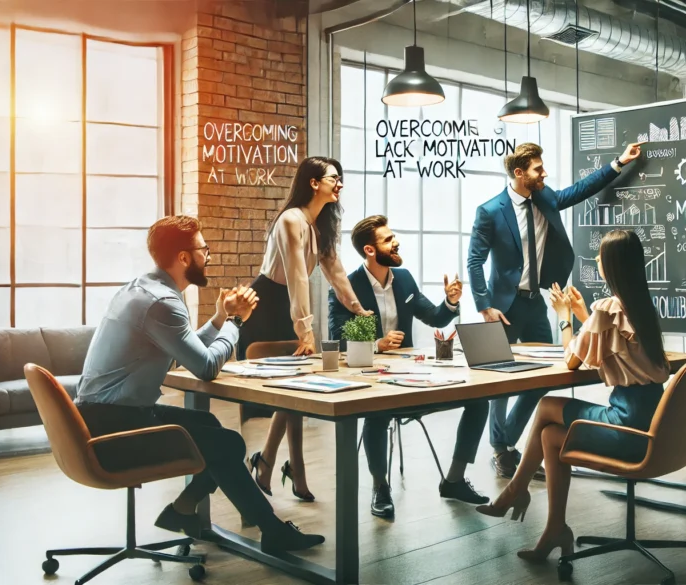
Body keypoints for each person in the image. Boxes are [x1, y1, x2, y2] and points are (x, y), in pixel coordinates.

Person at [74, 216, 324, 553]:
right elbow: (205, 366)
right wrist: (236, 322)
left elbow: (183, 354)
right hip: (115, 430)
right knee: (226, 445)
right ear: (183, 258)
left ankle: (183, 510)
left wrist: (220, 317)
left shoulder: (143, 289)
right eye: (203, 249)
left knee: (209, 426)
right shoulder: (163, 303)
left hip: (104, 417)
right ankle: (270, 531)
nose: (208, 255)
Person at [475, 230, 670, 560]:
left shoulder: (608, 309)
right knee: (551, 435)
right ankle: (554, 527)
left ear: (612, 265)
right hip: (654, 423)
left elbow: (571, 359)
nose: (595, 261)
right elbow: (615, 340)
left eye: (600, 257)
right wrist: (585, 316)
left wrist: (564, 316)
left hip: (627, 428)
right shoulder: (642, 307)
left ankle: (516, 490)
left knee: (548, 404)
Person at [467, 140, 644, 478]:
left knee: (542, 378)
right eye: (537, 169)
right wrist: (484, 306)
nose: (544, 173)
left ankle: (508, 442)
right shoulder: (489, 211)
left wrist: (618, 162)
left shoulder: (545, 197)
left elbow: (578, 191)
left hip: (537, 303)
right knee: (499, 382)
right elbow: (475, 260)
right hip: (503, 307)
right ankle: (501, 450)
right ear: (519, 174)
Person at [329, 215, 490, 518]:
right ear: (370, 250)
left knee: (479, 399)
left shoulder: (403, 279)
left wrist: (450, 302)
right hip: (372, 376)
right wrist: (377, 343)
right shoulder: (347, 287)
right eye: (388, 239)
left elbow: (434, 317)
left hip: (412, 374)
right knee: (377, 410)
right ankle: (380, 486)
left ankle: (454, 479)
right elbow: (336, 338)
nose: (396, 242)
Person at [239, 157, 372, 503]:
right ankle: (277, 464)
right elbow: (297, 276)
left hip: (288, 305)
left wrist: (358, 308)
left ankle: (280, 465)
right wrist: (305, 329)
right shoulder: (290, 220)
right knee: (288, 392)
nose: (340, 184)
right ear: (314, 183)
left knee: (295, 391)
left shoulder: (320, 224)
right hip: (266, 305)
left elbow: (335, 271)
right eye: (334, 178)